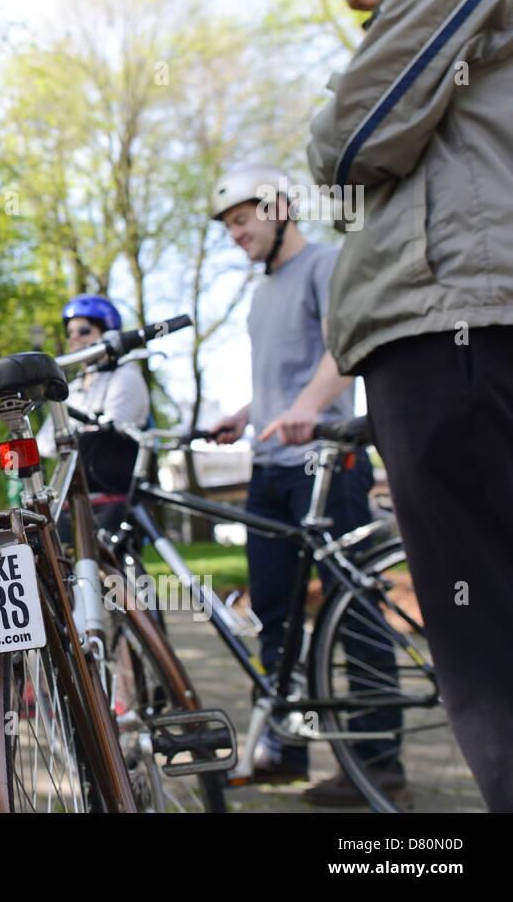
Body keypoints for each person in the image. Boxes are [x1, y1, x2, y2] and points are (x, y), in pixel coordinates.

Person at [295, 0, 513, 811]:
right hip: (456, 328)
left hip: (454, 334)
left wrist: (331, 122)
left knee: (486, 651)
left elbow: (343, 145)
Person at [207, 165, 396, 803]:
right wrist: (246, 413)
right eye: (228, 225)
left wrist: (312, 407)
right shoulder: (262, 293)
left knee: (357, 615)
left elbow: (345, 347)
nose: (236, 233)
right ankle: (286, 748)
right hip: (270, 473)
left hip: (328, 469)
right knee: (276, 617)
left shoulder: (325, 265)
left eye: (243, 219)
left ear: (280, 208)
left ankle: (380, 764)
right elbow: (280, 384)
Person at [37, 294, 150, 534]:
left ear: (108, 333)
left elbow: (116, 422)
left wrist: (71, 435)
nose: (74, 338)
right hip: (71, 499)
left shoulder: (126, 375)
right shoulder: (71, 388)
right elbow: (44, 443)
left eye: (84, 330)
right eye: (70, 333)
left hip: (111, 498)